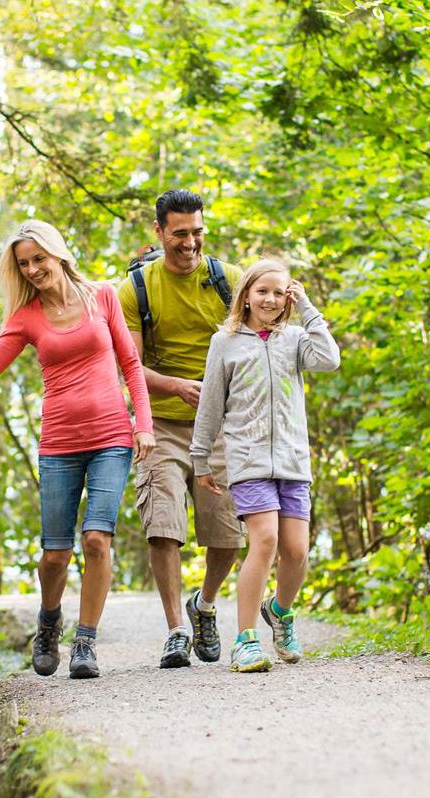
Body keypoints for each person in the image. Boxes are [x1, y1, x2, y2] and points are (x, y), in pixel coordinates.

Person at [0, 221, 156, 680]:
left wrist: (144, 425)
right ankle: (48, 621)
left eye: (39, 258)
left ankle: (86, 642)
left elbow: (131, 363)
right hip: (59, 444)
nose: (34, 269)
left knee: (97, 539)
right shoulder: (26, 317)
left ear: (58, 253)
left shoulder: (102, 296)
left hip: (112, 437)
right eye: (24, 263)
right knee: (55, 555)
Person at [191, 258, 340, 672]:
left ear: (288, 297)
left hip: (292, 460)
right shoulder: (225, 342)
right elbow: (210, 404)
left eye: (279, 292)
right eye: (262, 291)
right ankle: (245, 641)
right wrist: (200, 457)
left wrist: (308, 307)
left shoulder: (295, 338)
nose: (270, 299)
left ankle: (279, 610)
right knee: (266, 540)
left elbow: (329, 359)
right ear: (246, 295)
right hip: (249, 459)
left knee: (296, 551)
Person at [120, 189, 246, 668]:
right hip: (160, 424)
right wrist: (175, 385)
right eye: (180, 234)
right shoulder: (136, 289)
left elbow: (259, 342)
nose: (190, 243)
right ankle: (176, 628)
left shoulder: (227, 281)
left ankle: (205, 605)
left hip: (220, 427)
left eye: (197, 232)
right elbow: (127, 364)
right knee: (163, 526)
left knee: (227, 533)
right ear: (158, 232)